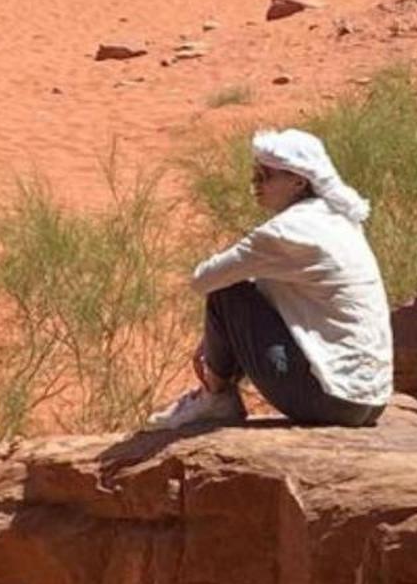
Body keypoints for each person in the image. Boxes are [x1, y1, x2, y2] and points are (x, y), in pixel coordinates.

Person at [147, 128, 392, 430]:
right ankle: (216, 395)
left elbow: (203, 279)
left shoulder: (285, 232)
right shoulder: (338, 219)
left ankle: (216, 398)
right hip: (370, 401)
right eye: (255, 174)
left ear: (299, 180)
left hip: (328, 400)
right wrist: (222, 338)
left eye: (265, 175)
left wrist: (220, 338)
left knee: (230, 295)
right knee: (243, 295)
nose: (255, 183)